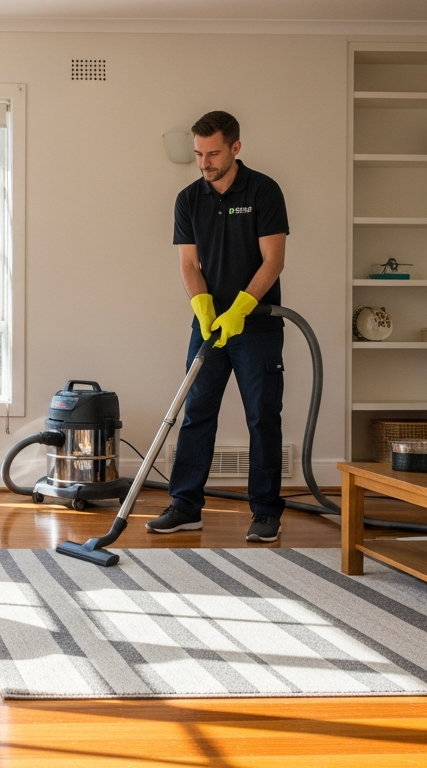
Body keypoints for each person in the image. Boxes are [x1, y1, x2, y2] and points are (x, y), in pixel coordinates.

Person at [146, 111, 289, 543]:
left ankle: (265, 512)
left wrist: (242, 306)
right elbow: (189, 264)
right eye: (198, 155)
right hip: (209, 324)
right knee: (197, 412)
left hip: (257, 323)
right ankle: (186, 505)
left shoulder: (264, 191)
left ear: (235, 148)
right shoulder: (189, 199)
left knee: (262, 416)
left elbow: (273, 260)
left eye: (213, 154)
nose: (204, 163)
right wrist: (204, 307)